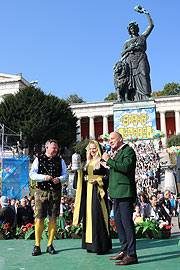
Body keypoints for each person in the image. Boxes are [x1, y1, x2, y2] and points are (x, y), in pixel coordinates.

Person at [101, 132, 138, 265]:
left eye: (112, 139)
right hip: (116, 192)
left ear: (120, 139)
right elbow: (117, 169)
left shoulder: (128, 150)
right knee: (118, 221)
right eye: (109, 139)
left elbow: (125, 167)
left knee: (127, 223)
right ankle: (124, 250)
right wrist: (107, 167)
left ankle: (132, 254)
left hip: (125, 192)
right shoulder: (116, 152)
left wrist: (109, 161)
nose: (110, 141)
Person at [30, 139, 68, 256]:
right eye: (54, 148)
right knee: (40, 218)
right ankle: (37, 245)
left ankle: (49, 244)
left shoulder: (60, 160)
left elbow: (66, 175)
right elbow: (32, 174)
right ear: (47, 148)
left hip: (56, 192)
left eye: (56, 148)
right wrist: (43, 177)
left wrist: (60, 179)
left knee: (53, 217)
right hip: (41, 192)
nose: (56, 150)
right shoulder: (38, 159)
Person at [73, 140, 112, 254]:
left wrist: (98, 180)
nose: (92, 150)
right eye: (90, 148)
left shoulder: (103, 161)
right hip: (87, 191)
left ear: (98, 149)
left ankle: (101, 245)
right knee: (88, 216)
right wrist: (78, 171)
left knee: (97, 215)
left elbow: (109, 175)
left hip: (98, 191)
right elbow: (81, 176)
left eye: (94, 148)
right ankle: (90, 244)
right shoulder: (87, 162)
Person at [116, 6, 154, 101]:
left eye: (134, 28)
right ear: (129, 30)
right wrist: (130, 48)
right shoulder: (127, 42)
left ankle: (145, 95)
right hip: (130, 62)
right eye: (131, 28)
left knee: (144, 75)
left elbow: (151, 26)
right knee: (131, 81)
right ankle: (131, 98)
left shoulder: (142, 37)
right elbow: (122, 53)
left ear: (137, 29)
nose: (133, 29)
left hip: (141, 58)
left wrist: (146, 13)